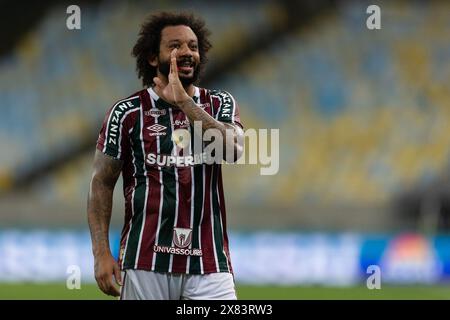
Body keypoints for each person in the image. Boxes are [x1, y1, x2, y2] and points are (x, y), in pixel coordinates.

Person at [87, 12, 244, 300]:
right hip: (145, 261)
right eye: (175, 46)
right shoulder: (127, 113)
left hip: (209, 263)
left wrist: (185, 103)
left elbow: (232, 150)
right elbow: (101, 183)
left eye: (193, 47)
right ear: (151, 58)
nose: (187, 53)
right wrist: (100, 253)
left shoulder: (219, 103)